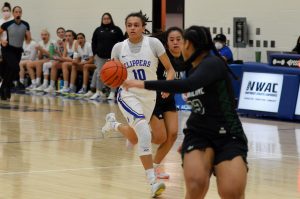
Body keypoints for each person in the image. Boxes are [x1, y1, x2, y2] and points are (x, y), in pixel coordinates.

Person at [123, 25, 248, 199]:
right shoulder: (191, 67)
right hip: (199, 134)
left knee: (231, 191)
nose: (178, 45)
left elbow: (186, 86)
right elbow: (200, 105)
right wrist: (192, 132)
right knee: (196, 186)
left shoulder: (213, 63)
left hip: (228, 135)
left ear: (188, 44)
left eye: (181, 41)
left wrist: (143, 83)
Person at [101, 11, 175, 197]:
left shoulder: (153, 43)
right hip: (128, 95)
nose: (132, 28)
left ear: (143, 27)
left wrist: (168, 85)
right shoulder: (118, 48)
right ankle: (152, 181)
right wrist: (112, 81)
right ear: (125, 27)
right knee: (142, 131)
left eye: (136, 25)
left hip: (149, 97)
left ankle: (113, 124)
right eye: (129, 25)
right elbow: (111, 75)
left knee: (140, 138)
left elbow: (170, 69)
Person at [150, 27, 186, 179]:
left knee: (172, 134)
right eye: (172, 40)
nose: (175, 42)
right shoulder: (162, 57)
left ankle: (155, 167)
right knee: (160, 137)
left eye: (178, 39)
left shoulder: (186, 59)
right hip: (153, 100)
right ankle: (134, 135)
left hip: (168, 101)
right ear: (167, 42)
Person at [85, 12, 124, 100]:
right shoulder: (98, 30)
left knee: (113, 74)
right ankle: (98, 92)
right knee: (99, 75)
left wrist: (120, 54)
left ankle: (112, 93)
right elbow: (93, 42)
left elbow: (122, 42)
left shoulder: (116, 29)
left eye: (108, 18)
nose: (106, 20)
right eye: (104, 19)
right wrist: (95, 54)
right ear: (102, 20)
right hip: (100, 56)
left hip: (112, 57)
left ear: (111, 19)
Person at [0, 6, 31, 100]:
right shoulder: (7, 24)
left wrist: (28, 36)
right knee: (15, 68)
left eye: (19, 12)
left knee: (11, 70)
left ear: (21, 13)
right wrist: (1, 41)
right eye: (16, 12)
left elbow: (28, 39)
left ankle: (4, 88)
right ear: (13, 13)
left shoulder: (26, 24)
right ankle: (6, 87)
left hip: (18, 50)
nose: (18, 13)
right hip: (7, 49)